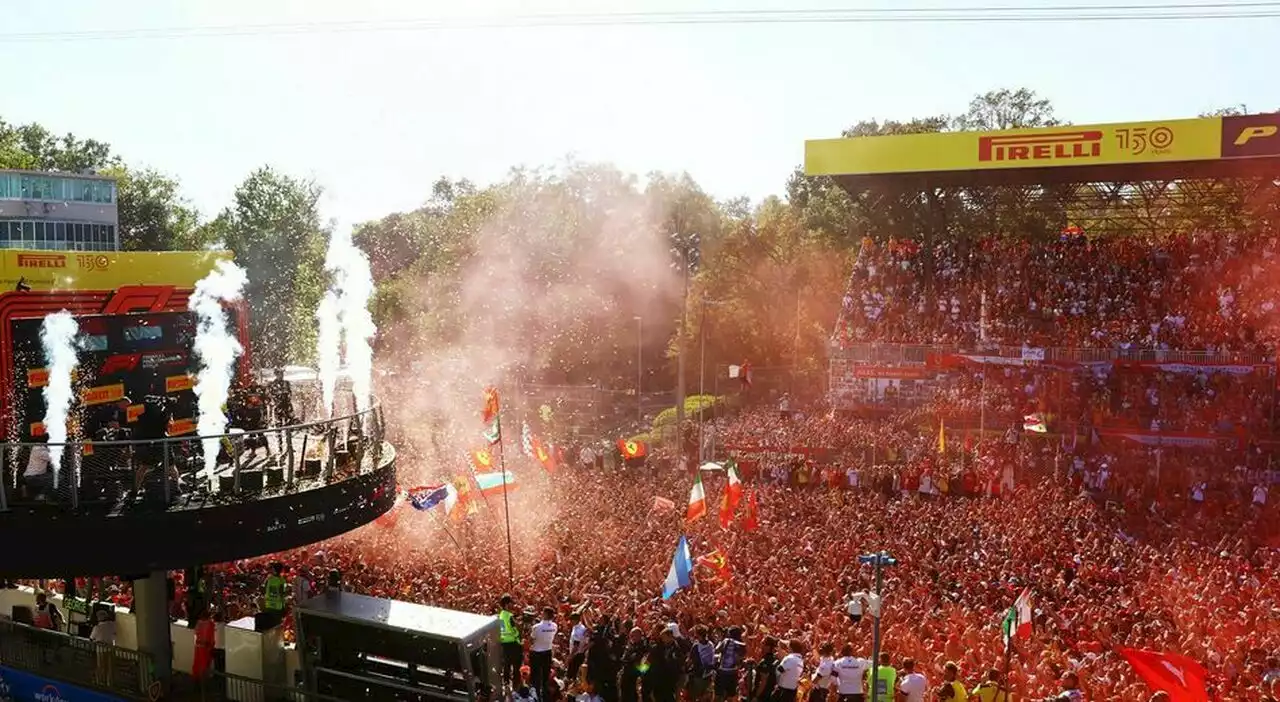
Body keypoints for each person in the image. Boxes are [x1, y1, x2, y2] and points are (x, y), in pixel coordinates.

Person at [530, 606, 559, 702]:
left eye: (543, 612)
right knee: (545, 676)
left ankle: (536, 697)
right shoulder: (555, 626)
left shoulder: (536, 627)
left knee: (536, 676)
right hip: (548, 652)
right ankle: (545, 696)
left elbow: (531, 640)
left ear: (546, 614)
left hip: (537, 653)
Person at [714, 626, 747, 702]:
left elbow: (716, 650)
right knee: (731, 697)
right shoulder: (741, 645)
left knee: (717, 696)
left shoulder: (726, 641)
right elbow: (742, 655)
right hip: (733, 673)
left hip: (722, 673)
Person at [499, 595, 524, 691]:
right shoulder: (510, 616)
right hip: (514, 644)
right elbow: (516, 629)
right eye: (511, 603)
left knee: (507, 665)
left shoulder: (501, 615)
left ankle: (505, 685)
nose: (512, 605)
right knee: (516, 666)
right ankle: (515, 687)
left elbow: (502, 629)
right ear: (506, 604)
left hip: (505, 643)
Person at [193, 607, 217, 681]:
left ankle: (197, 680)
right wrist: (212, 646)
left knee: (197, 663)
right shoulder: (210, 623)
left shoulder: (198, 623)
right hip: (206, 647)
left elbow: (196, 633)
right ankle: (203, 681)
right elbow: (212, 637)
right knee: (205, 664)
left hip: (198, 646)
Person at [262, 562, 287, 629]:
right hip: (278, 607)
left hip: (268, 605)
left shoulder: (268, 579)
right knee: (277, 625)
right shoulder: (282, 581)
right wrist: (284, 607)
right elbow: (283, 593)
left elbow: (263, 589)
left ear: (273, 569)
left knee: (269, 624)